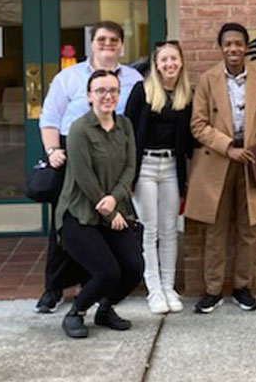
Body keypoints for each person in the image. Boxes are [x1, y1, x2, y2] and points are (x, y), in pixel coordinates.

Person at [35, 21, 143, 314]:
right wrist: (53, 149)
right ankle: (53, 289)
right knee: (69, 228)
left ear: (121, 45)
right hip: (73, 154)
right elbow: (49, 117)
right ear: (91, 44)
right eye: (101, 40)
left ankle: (93, 283)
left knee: (102, 227)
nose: (108, 45)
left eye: (114, 40)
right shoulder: (68, 77)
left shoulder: (134, 78)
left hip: (113, 153)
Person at [184, 23, 256, 314]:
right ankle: (213, 290)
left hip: (252, 161)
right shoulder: (207, 80)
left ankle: (243, 287)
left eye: (238, 44)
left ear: (246, 47)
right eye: (228, 44)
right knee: (215, 229)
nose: (233, 49)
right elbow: (198, 125)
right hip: (218, 159)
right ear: (221, 47)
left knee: (247, 229)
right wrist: (228, 146)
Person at [57, 69, 143, 339]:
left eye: (113, 90)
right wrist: (109, 210)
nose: (108, 96)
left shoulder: (125, 125)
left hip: (114, 211)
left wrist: (115, 200)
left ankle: (105, 309)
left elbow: (130, 166)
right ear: (89, 96)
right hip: (80, 214)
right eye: (101, 91)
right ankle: (76, 313)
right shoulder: (79, 130)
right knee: (107, 272)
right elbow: (84, 178)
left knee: (133, 269)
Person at [125, 41, 194, 315]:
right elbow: (127, 132)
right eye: (164, 59)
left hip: (171, 167)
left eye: (174, 59)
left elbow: (190, 140)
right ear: (156, 64)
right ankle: (153, 289)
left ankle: (169, 287)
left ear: (181, 62)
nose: (169, 64)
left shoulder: (186, 95)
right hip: (146, 168)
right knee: (149, 230)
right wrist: (127, 175)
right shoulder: (142, 91)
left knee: (169, 230)